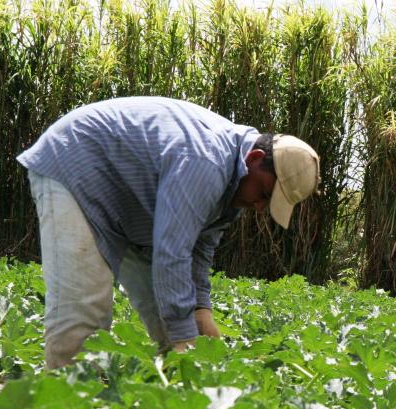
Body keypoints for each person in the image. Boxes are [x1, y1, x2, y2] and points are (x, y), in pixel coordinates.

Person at [17, 96, 320, 369]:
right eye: (265, 194)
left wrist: (201, 311)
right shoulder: (207, 161)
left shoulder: (236, 184)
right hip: (78, 164)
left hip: (130, 205)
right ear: (253, 160)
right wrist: (185, 338)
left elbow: (198, 253)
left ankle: (176, 396)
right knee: (87, 312)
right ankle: (67, 405)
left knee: (179, 327)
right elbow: (170, 253)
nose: (259, 206)